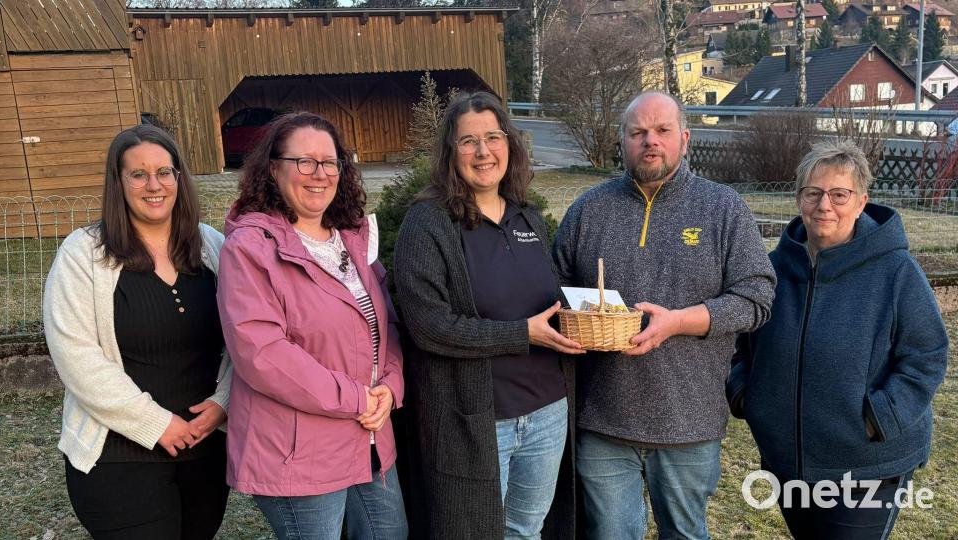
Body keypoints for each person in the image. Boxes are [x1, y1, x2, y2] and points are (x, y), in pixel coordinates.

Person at [552, 91, 776, 540]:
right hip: (603, 421)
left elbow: (757, 297)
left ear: (685, 139)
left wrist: (679, 321)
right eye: (637, 132)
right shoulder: (588, 210)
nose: (649, 141)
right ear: (623, 141)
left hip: (688, 420)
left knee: (685, 534)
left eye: (661, 131)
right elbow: (553, 293)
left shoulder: (723, 208)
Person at [726, 140, 949, 539]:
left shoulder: (896, 271)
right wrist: (747, 394)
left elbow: (927, 355)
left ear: (861, 201)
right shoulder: (771, 270)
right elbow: (737, 340)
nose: (824, 205)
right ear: (799, 199)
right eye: (813, 193)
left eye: (839, 194)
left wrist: (880, 417)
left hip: (867, 465)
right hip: (789, 461)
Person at [393, 91, 583, 540]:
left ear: (510, 145)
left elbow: (546, 298)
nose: (483, 152)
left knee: (525, 530)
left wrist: (586, 317)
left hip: (547, 411)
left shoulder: (528, 218)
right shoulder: (429, 224)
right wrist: (522, 334)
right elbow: (429, 327)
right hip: (474, 418)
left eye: (493, 137)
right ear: (449, 153)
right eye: (468, 141)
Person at [216, 112, 407, 540]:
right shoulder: (250, 248)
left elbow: (385, 324)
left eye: (330, 162)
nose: (319, 174)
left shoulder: (353, 237)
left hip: (369, 438)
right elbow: (263, 354)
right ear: (272, 169)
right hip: (299, 449)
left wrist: (391, 386)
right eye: (304, 161)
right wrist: (357, 398)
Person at [43, 125, 231, 539]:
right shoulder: (84, 253)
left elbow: (242, 338)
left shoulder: (212, 246)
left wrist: (223, 402)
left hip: (204, 449)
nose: (154, 185)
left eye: (164, 172)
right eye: (138, 174)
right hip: (119, 457)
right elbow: (75, 354)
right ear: (118, 182)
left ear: (179, 178)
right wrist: (156, 423)